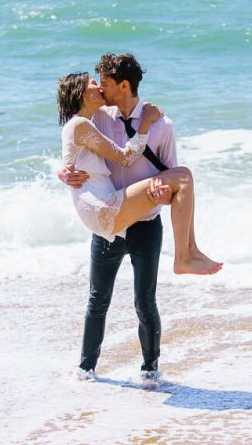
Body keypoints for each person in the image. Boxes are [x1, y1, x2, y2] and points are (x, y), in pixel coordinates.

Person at [56, 53, 222, 384]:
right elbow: (78, 148)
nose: (100, 87)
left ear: (123, 85)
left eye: (104, 82)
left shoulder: (163, 126)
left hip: (145, 220)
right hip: (111, 217)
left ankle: (150, 370)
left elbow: (170, 175)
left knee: (145, 301)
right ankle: (85, 368)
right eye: (95, 83)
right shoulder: (98, 118)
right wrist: (61, 171)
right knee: (97, 299)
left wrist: (166, 194)